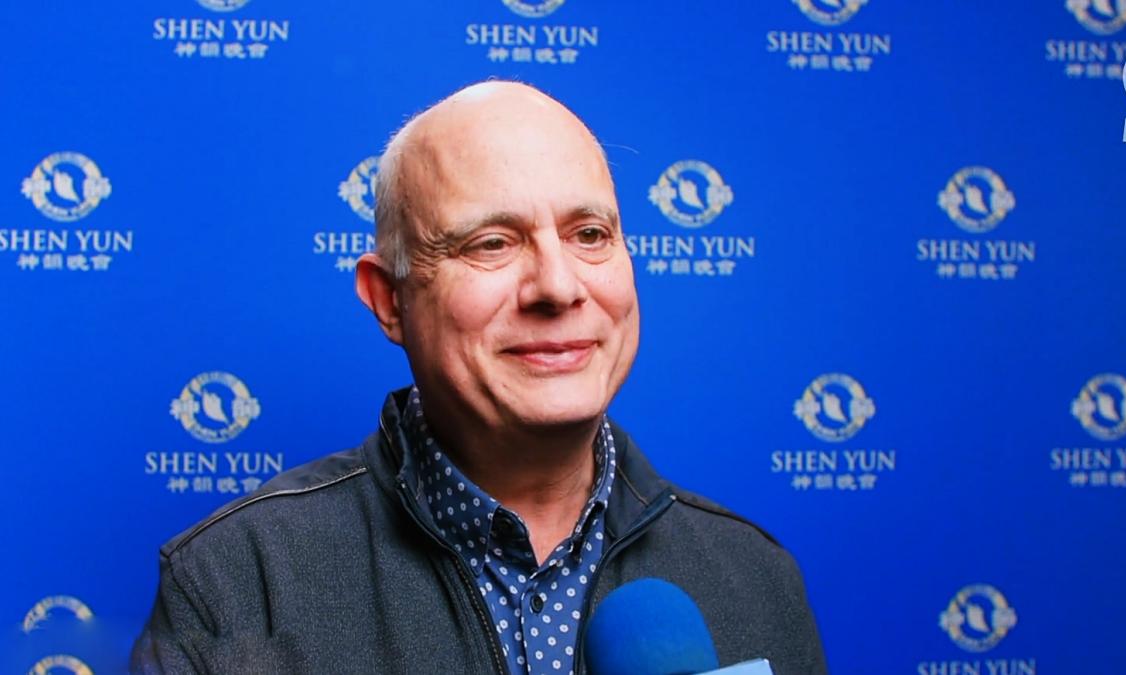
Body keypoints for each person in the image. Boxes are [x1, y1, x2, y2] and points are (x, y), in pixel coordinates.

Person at [131, 81, 826, 674]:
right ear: (389, 300)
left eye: (589, 235)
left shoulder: (756, 577)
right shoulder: (233, 582)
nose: (558, 286)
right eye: (492, 243)